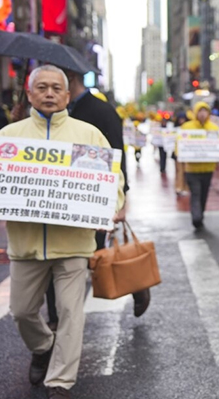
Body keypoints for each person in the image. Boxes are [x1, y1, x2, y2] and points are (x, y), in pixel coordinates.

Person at [0, 65, 125, 399]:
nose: (49, 93)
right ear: (29, 93)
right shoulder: (8, 138)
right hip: (26, 245)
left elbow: (113, 181)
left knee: (71, 313)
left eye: (56, 88)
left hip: (74, 243)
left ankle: (60, 382)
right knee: (21, 312)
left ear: (67, 95)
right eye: (42, 87)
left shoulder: (89, 135)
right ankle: (42, 347)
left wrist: (110, 207)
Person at [64, 68, 149, 318]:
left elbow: (116, 154)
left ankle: (136, 285)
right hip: (59, 200)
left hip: (92, 197)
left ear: (69, 78)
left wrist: (121, 199)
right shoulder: (54, 114)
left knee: (96, 254)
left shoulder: (101, 111)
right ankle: (57, 321)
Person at [179, 101, 219, 229]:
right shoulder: (186, 127)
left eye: (205, 111)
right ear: (196, 113)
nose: (202, 114)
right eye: (200, 111)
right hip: (191, 169)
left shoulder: (214, 128)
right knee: (196, 193)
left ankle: (200, 214)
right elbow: (179, 144)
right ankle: (196, 217)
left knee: (204, 194)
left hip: (208, 169)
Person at [173, 111, 190, 195]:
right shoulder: (175, 129)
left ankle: (186, 188)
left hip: (186, 153)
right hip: (177, 153)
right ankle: (179, 187)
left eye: (183, 119)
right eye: (180, 119)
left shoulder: (188, 128)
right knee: (179, 171)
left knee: (186, 171)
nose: (181, 121)